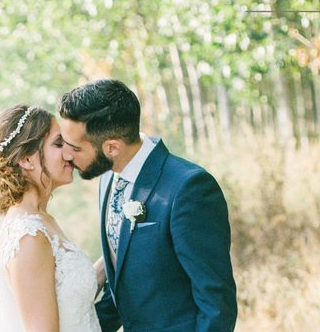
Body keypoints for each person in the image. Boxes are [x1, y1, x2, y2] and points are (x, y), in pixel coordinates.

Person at [59, 79, 238, 332]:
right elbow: (122, 282)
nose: (67, 155)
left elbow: (216, 301)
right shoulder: (108, 179)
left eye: (75, 147)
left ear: (112, 147)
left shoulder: (189, 188)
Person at [0, 104, 103, 332]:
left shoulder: (41, 219)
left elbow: (67, 299)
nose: (69, 153)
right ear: (26, 159)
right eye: (58, 144)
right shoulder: (28, 235)